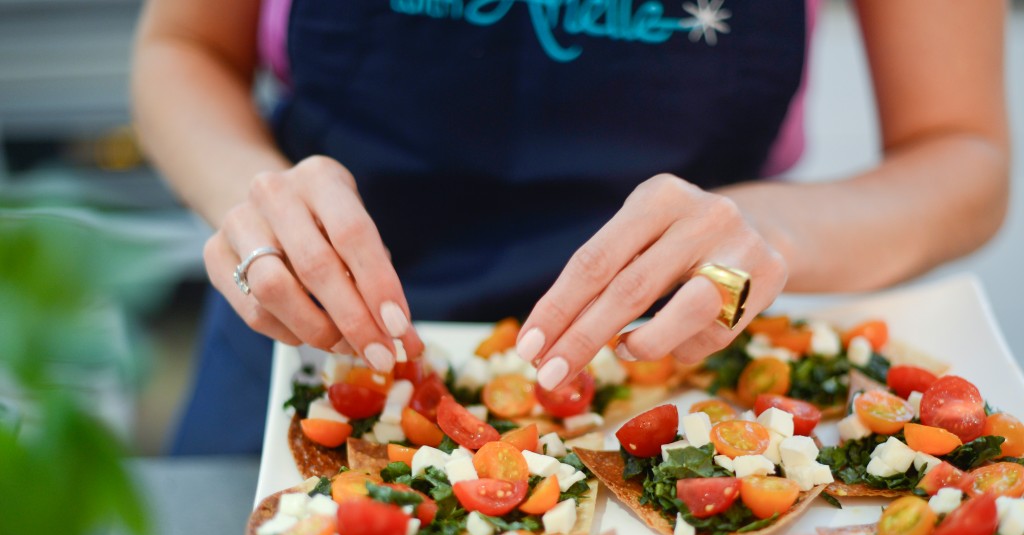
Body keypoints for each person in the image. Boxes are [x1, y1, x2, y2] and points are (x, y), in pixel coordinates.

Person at [131, 0, 1010, 455]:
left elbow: (963, 156)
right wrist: (256, 198)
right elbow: (182, 49)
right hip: (317, 356)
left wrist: (778, 231)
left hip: (685, 384)